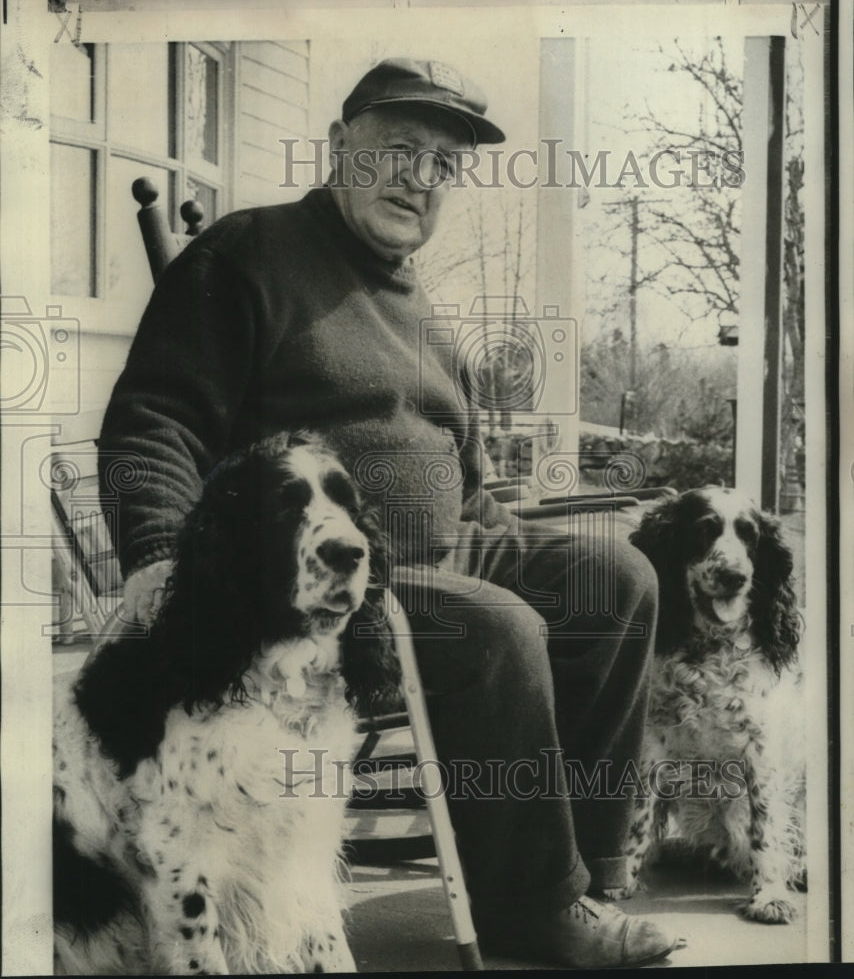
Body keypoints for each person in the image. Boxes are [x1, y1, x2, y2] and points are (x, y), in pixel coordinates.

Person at [99, 57, 684, 968]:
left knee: (616, 576)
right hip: (324, 580)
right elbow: (153, 423)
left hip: (451, 546)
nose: (422, 178)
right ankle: (536, 905)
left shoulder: (417, 301)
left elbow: (468, 474)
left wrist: (504, 527)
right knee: (497, 628)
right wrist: (156, 555)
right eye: (402, 149)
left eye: (445, 166)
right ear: (338, 148)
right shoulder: (247, 256)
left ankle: (594, 870)